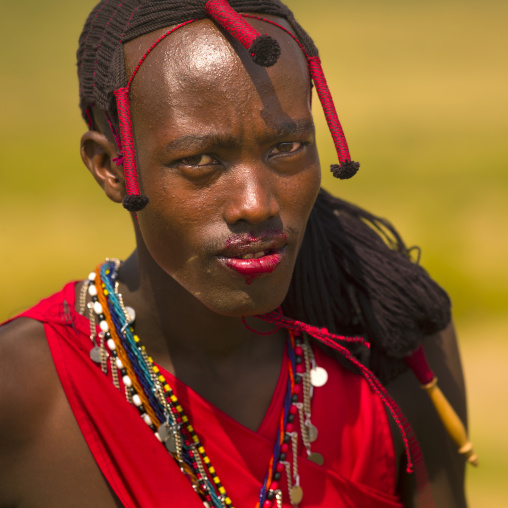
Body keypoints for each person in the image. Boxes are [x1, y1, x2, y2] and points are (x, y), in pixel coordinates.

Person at [0, 1, 473, 506]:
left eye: (286, 148)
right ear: (109, 167)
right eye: (199, 160)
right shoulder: (20, 392)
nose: (257, 204)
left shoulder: (389, 346)